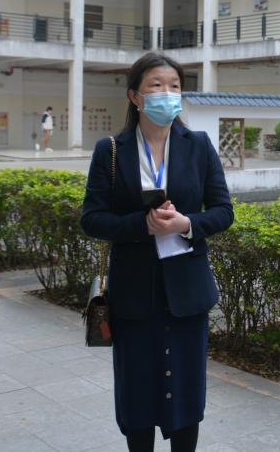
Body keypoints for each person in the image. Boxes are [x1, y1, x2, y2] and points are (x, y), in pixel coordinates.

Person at [82, 52, 233, 452]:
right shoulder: (110, 150)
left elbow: (223, 211)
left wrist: (186, 224)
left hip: (187, 295)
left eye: (174, 86)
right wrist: (141, 225)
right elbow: (92, 219)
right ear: (135, 96)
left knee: (185, 395)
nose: (167, 93)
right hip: (134, 296)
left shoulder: (198, 146)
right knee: (137, 397)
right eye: (156, 85)